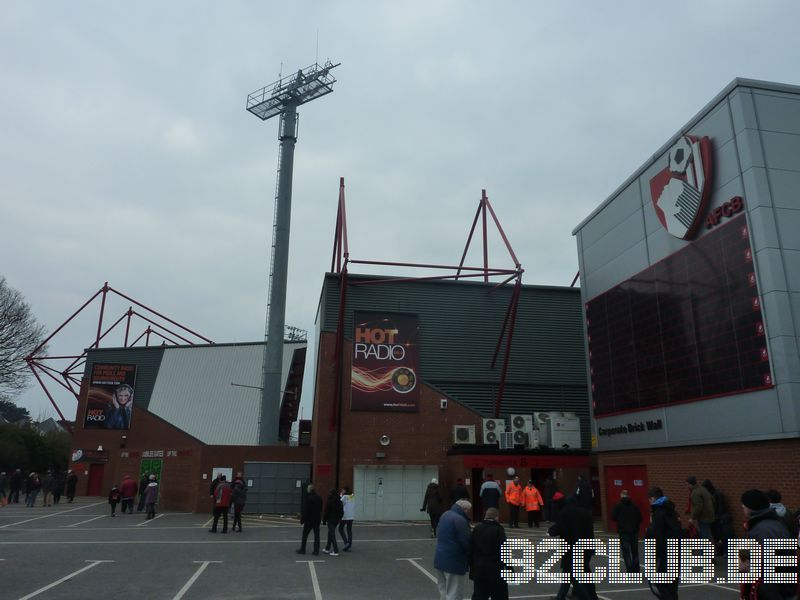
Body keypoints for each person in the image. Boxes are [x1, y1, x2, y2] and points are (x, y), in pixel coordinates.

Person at [739, 489, 797, 600]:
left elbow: (747, 566)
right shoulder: (776, 525)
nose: (742, 507)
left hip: (769, 590)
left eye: (744, 504)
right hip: (785, 587)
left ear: (751, 506)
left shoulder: (758, 530)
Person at [645, 486, 681, 600]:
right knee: (672, 585)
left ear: (653, 498)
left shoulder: (658, 514)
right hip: (676, 551)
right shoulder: (672, 512)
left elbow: (658, 537)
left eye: (649, 500)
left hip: (665, 554)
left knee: (660, 583)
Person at [433, 499, 472, 600]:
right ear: (465, 509)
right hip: (454, 562)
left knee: (443, 591)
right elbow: (467, 542)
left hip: (440, 559)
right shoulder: (460, 520)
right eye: (468, 510)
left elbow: (438, 532)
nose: (469, 513)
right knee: (454, 592)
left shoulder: (445, 514)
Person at [469, 507, 509, 600]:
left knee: (479, 595)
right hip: (495, 570)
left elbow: (471, 550)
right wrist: (509, 570)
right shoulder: (498, 530)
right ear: (496, 518)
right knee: (499, 595)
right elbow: (504, 552)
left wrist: (472, 570)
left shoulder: (477, 529)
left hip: (479, 569)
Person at [611, 489, 642, 573]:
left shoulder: (618, 506)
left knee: (626, 552)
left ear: (621, 495)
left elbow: (613, 517)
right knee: (635, 551)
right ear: (628, 496)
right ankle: (636, 569)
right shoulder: (634, 506)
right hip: (634, 532)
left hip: (623, 532)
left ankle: (630, 569)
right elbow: (640, 518)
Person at [296, 483, 323, 555]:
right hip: (317, 519)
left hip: (309, 520)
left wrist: (302, 520)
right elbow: (320, 509)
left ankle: (303, 549)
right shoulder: (319, 498)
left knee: (305, 535)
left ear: (309, 490)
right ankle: (316, 550)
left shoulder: (308, 498)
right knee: (317, 535)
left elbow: (306, 511)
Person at [686, 475, 715, 540]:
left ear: (690, 484)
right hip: (710, 515)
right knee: (707, 535)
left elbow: (698, 507)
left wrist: (692, 518)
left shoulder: (695, 493)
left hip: (703, 518)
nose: (687, 486)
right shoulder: (703, 489)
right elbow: (712, 499)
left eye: (687, 484)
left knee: (705, 536)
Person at [322, 489, 343, 556]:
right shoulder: (340, 501)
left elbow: (326, 511)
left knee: (332, 534)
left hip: (330, 519)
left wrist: (324, 520)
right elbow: (342, 512)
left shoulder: (330, 501)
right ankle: (327, 548)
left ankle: (336, 550)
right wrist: (339, 519)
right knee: (330, 533)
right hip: (336, 520)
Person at [338, 485, 355, 551]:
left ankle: (346, 543)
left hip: (345, 516)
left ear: (345, 490)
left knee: (340, 529)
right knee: (349, 531)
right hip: (351, 516)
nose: (342, 491)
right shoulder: (352, 496)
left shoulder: (344, 496)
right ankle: (349, 544)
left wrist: (341, 495)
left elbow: (340, 502)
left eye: (342, 490)